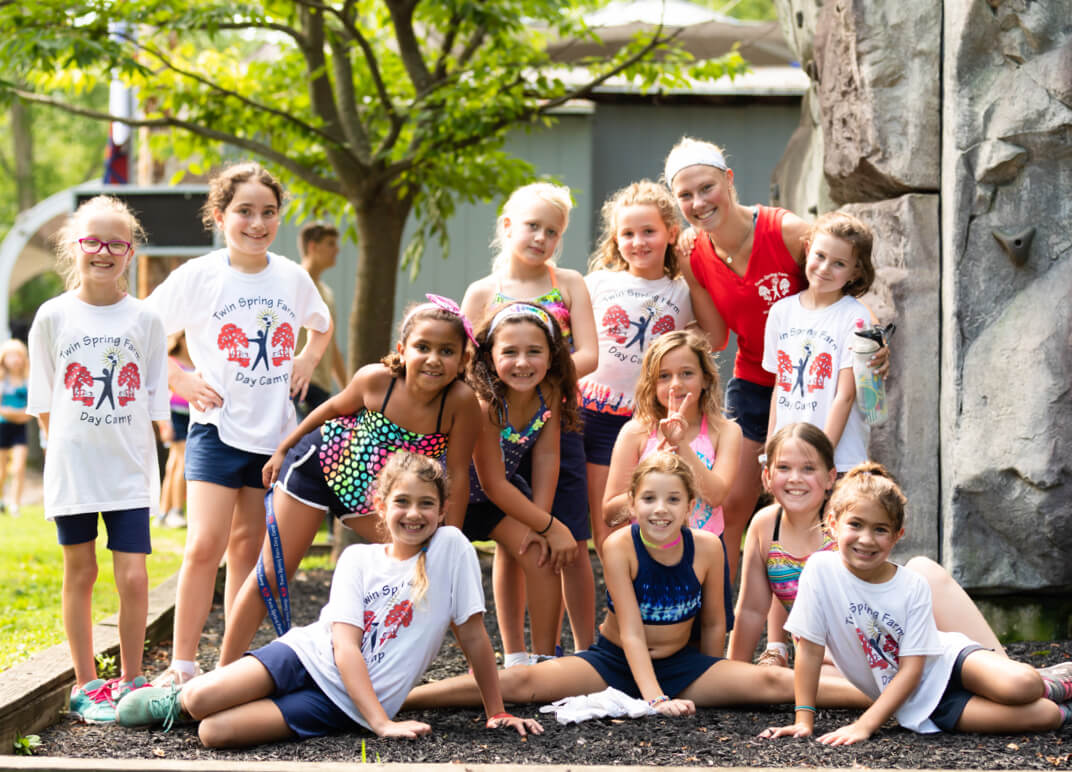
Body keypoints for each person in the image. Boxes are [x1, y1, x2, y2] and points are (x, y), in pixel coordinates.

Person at [117, 452, 542, 746]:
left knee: (214, 733)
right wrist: (381, 723)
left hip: (341, 702)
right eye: (403, 502)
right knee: (196, 700)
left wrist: (496, 709)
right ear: (381, 505)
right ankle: (176, 701)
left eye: (426, 504)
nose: (414, 513)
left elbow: (473, 637)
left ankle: (232, 699)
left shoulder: (452, 548)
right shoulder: (358, 558)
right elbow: (343, 646)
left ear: (443, 509)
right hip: (306, 655)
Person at [404, 452, 869, 715]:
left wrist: (709, 675)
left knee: (772, 683)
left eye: (672, 500)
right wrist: (655, 699)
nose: (660, 509)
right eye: (648, 498)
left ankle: (890, 699)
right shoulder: (620, 546)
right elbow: (628, 631)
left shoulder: (707, 547)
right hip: (613, 663)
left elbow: (713, 626)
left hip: (682, 666)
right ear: (632, 503)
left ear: (690, 506)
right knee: (522, 681)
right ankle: (402, 699)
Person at [664, 136, 889, 582]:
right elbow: (715, 336)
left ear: (728, 180)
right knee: (732, 503)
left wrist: (872, 342)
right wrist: (666, 347)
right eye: (685, 195)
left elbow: (840, 271)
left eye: (706, 187)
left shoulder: (786, 231)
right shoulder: (693, 254)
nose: (698, 202)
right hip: (759, 382)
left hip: (820, 386)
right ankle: (721, 618)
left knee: (822, 503)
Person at [217, 295, 481, 666]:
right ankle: (223, 671)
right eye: (423, 347)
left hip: (373, 495)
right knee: (274, 573)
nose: (434, 359)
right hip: (319, 467)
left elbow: (456, 475)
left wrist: (449, 537)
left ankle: (449, 668)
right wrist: (282, 449)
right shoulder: (377, 380)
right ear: (403, 350)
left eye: (447, 351)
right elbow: (329, 409)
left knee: (425, 562)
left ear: (463, 359)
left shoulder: (461, 402)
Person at [147, 162, 333, 686]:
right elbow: (140, 333)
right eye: (244, 212)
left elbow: (320, 325)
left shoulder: (292, 277)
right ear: (219, 215)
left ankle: (230, 666)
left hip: (273, 436)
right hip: (214, 429)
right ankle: (183, 665)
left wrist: (307, 359)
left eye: (268, 213)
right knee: (205, 543)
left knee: (247, 548)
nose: (257, 223)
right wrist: (179, 382)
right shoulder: (199, 276)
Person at [760, 463, 1071, 744]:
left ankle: (1056, 679)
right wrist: (804, 720)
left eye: (880, 529)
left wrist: (865, 725)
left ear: (898, 536)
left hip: (950, 663)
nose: (866, 539)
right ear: (833, 523)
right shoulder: (820, 570)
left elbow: (912, 669)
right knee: (1044, 716)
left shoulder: (912, 587)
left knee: (1022, 684)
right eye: (855, 524)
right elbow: (809, 650)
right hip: (925, 705)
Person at [27, 195, 169, 721]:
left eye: (115, 243)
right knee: (80, 572)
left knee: (133, 578)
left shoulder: (146, 319)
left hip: (129, 471)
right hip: (75, 471)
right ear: (74, 247)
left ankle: (131, 681)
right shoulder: (52, 316)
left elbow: (152, 403)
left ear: (129, 252)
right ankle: (86, 683)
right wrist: (68, 449)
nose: (103, 252)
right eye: (93, 241)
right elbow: (44, 404)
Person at [732, 423, 1009, 671]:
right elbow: (751, 610)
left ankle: (1004, 666)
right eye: (784, 468)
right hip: (830, 657)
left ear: (830, 477)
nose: (795, 478)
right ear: (767, 476)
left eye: (808, 468)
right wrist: (734, 673)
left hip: (878, 633)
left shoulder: (846, 519)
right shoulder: (766, 526)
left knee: (924, 570)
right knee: (814, 671)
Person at [461, 181, 598, 652]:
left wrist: (545, 385)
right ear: (507, 227)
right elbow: (467, 361)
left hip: (555, 423)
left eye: (552, 231)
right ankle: (517, 651)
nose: (541, 237)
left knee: (572, 540)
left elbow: (592, 353)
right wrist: (519, 386)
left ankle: (584, 649)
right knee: (514, 541)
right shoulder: (483, 292)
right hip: (497, 430)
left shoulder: (570, 283)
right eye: (532, 226)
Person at [581, 180, 695, 558]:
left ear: (671, 233)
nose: (638, 242)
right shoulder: (597, 284)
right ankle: (616, 608)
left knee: (652, 514)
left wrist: (691, 268)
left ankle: (651, 593)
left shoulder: (680, 291)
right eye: (628, 233)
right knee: (607, 520)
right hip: (596, 414)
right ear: (616, 238)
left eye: (649, 231)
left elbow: (716, 335)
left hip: (649, 417)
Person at [602, 329, 741, 629]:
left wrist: (682, 448)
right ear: (652, 385)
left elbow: (716, 495)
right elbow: (610, 512)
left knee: (708, 630)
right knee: (646, 634)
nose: (675, 384)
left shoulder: (726, 431)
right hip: (646, 555)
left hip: (704, 553)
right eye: (664, 376)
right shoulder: (636, 433)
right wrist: (649, 477)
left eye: (686, 373)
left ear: (705, 379)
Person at [466, 302, 579, 666]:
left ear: (552, 354)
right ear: (489, 355)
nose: (522, 362)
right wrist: (551, 525)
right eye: (509, 352)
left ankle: (543, 661)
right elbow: (493, 482)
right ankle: (513, 652)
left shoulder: (548, 390)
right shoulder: (485, 404)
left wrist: (540, 522)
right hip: (454, 500)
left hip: (500, 499)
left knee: (540, 555)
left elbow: (546, 457)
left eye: (534, 351)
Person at [763, 211, 875, 472]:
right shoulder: (781, 312)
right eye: (820, 256)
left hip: (835, 460)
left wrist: (820, 459)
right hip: (787, 460)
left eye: (839, 263)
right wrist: (770, 452)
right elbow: (780, 388)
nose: (825, 268)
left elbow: (845, 395)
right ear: (807, 249)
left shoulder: (855, 317)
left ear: (855, 271)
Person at [293, 221, 348, 419]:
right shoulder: (292, 283)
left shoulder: (327, 293)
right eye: (330, 243)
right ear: (312, 247)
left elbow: (331, 346)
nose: (337, 249)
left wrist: (347, 390)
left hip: (321, 389)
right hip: (297, 385)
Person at [157, 332, 192, 528]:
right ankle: (176, 511)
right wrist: (164, 424)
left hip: (191, 416)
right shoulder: (171, 362)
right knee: (183, 462)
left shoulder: (196, 359)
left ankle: (163, 512)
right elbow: (160, 393)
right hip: (175, 416)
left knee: (173, 465)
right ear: (180, 339)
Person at [0, 338, 31, 516]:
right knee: (2, 469)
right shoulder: (2, 381)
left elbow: (30, 411)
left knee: (19, 467)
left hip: (20, 429)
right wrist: (15, 413)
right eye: (10, 356)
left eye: (18, 356)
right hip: (3, 428)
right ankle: (1, 498)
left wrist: (18, 415)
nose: (15, 360)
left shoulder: (28, 380)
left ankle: (15, 504)